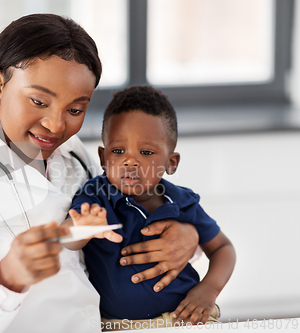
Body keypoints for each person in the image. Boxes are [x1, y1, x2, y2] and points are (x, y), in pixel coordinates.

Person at [0, 14, 200, 333]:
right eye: (39, 101)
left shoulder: (75, 156)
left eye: (75, 110)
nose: (56, 126)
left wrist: (186, 237)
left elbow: (126, 222)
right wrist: (6, 280)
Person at [64, 85, 236, 331]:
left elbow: (223, 248)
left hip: (184, 317)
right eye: (118, 150)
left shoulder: (183, 202)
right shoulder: (95, 196)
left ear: (171, 162)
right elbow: (66, 239)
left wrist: (208, 290)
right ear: (103, 158)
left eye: (145, 152)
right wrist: (81, 227)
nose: (130, 160)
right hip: (117, 325)